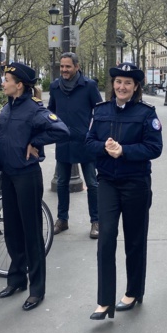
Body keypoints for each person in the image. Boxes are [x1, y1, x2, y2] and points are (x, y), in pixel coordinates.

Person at [0, 62, 69, 312]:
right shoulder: (7, 109)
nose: (3, 83)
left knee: (32, 234)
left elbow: (62, 131)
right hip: (7, 177)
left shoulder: (34, 109)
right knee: (12, 232)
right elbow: (0, 145)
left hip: (27, 177)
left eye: (6, 79)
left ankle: (37, 290)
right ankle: (17, 280)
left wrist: (36, 141)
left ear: (19, 84)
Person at [86, 62, 163, 320]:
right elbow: (88, 143)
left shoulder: (146, 113)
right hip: (107, 181)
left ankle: (133, 292)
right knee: (106, 238)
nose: (122, 87)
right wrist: (104, 147)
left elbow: (154, 148)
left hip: (136, 183)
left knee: (134, 240)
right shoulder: (100, 110)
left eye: (128, 83)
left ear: (136, 87)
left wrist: (125, 151)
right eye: (118, 82)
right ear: (113, 84)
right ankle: (104, 300)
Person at [47, 52, 102, 239]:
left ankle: (96, 221)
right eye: (62, 66)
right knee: (62, 183)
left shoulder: (89, 86)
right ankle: (62, 220)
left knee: (92, 184)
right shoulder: (55, 87)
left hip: (85, 143)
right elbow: (50, 113)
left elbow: (100, 112)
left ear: (76, 67)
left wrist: (93, 133)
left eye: (68, 66)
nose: (64, 70)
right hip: (63, 142)